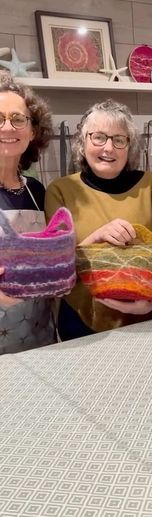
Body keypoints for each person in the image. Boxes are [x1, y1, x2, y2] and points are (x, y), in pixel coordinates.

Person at [45, 99, 152, 340]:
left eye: (119, 140)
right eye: (98, 137)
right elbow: (55, 268)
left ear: (130, 147)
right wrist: (96, 237)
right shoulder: (60, 190)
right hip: (80, 322)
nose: (108, 148)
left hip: (147, 319)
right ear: (82, 142)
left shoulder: (151, 185)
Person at [0, 71, 56, 354]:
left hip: (41, 343)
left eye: (17, 119)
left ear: (33, 130)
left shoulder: (36, 191)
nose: (8, 127)